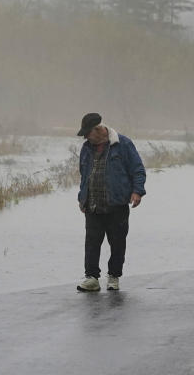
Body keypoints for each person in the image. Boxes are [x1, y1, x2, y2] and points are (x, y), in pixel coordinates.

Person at [75, 112, 147, 292]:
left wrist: (137, 191)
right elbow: (84, 175)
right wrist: (82, 198)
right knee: (91, 242)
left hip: (117, 205)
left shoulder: (123, 144)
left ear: (98, 130)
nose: (86, 138)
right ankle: (91, 278)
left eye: (88, 133)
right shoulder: (86, 148)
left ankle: (114, 277)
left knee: (117, 243)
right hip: (93, 205)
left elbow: (137, 169)